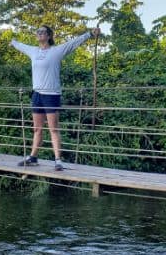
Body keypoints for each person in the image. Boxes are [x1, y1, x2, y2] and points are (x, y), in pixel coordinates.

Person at [11, 25, 100, 171]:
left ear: (49, 35)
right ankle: (33, 157)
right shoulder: (34, 51)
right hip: (37, 95)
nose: (39, 34)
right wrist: (13, 42)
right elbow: (21, 46)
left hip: (51, 95)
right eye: (38, 32)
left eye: (42, 32)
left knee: (53, 129)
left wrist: (90, 34)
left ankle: (58, 160)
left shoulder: (57, 51)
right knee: (37, 129)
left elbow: (74, 42)